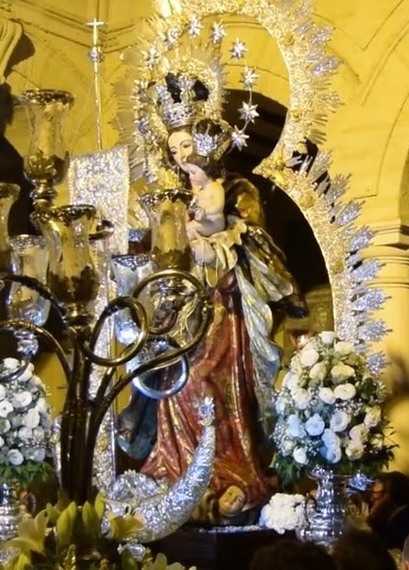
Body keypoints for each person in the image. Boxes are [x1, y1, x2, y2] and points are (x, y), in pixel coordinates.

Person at [118, 74, 307, 522]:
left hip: (223, 313)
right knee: (172, 387)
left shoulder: (238, 190)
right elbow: (151, 251)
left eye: (188, 145)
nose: (182, 155)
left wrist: (216, 229)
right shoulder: (169, 200)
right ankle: (175, 472)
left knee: (210, 387)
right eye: (175, 147)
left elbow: (251, 240)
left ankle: (227, 473)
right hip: (177, 314)